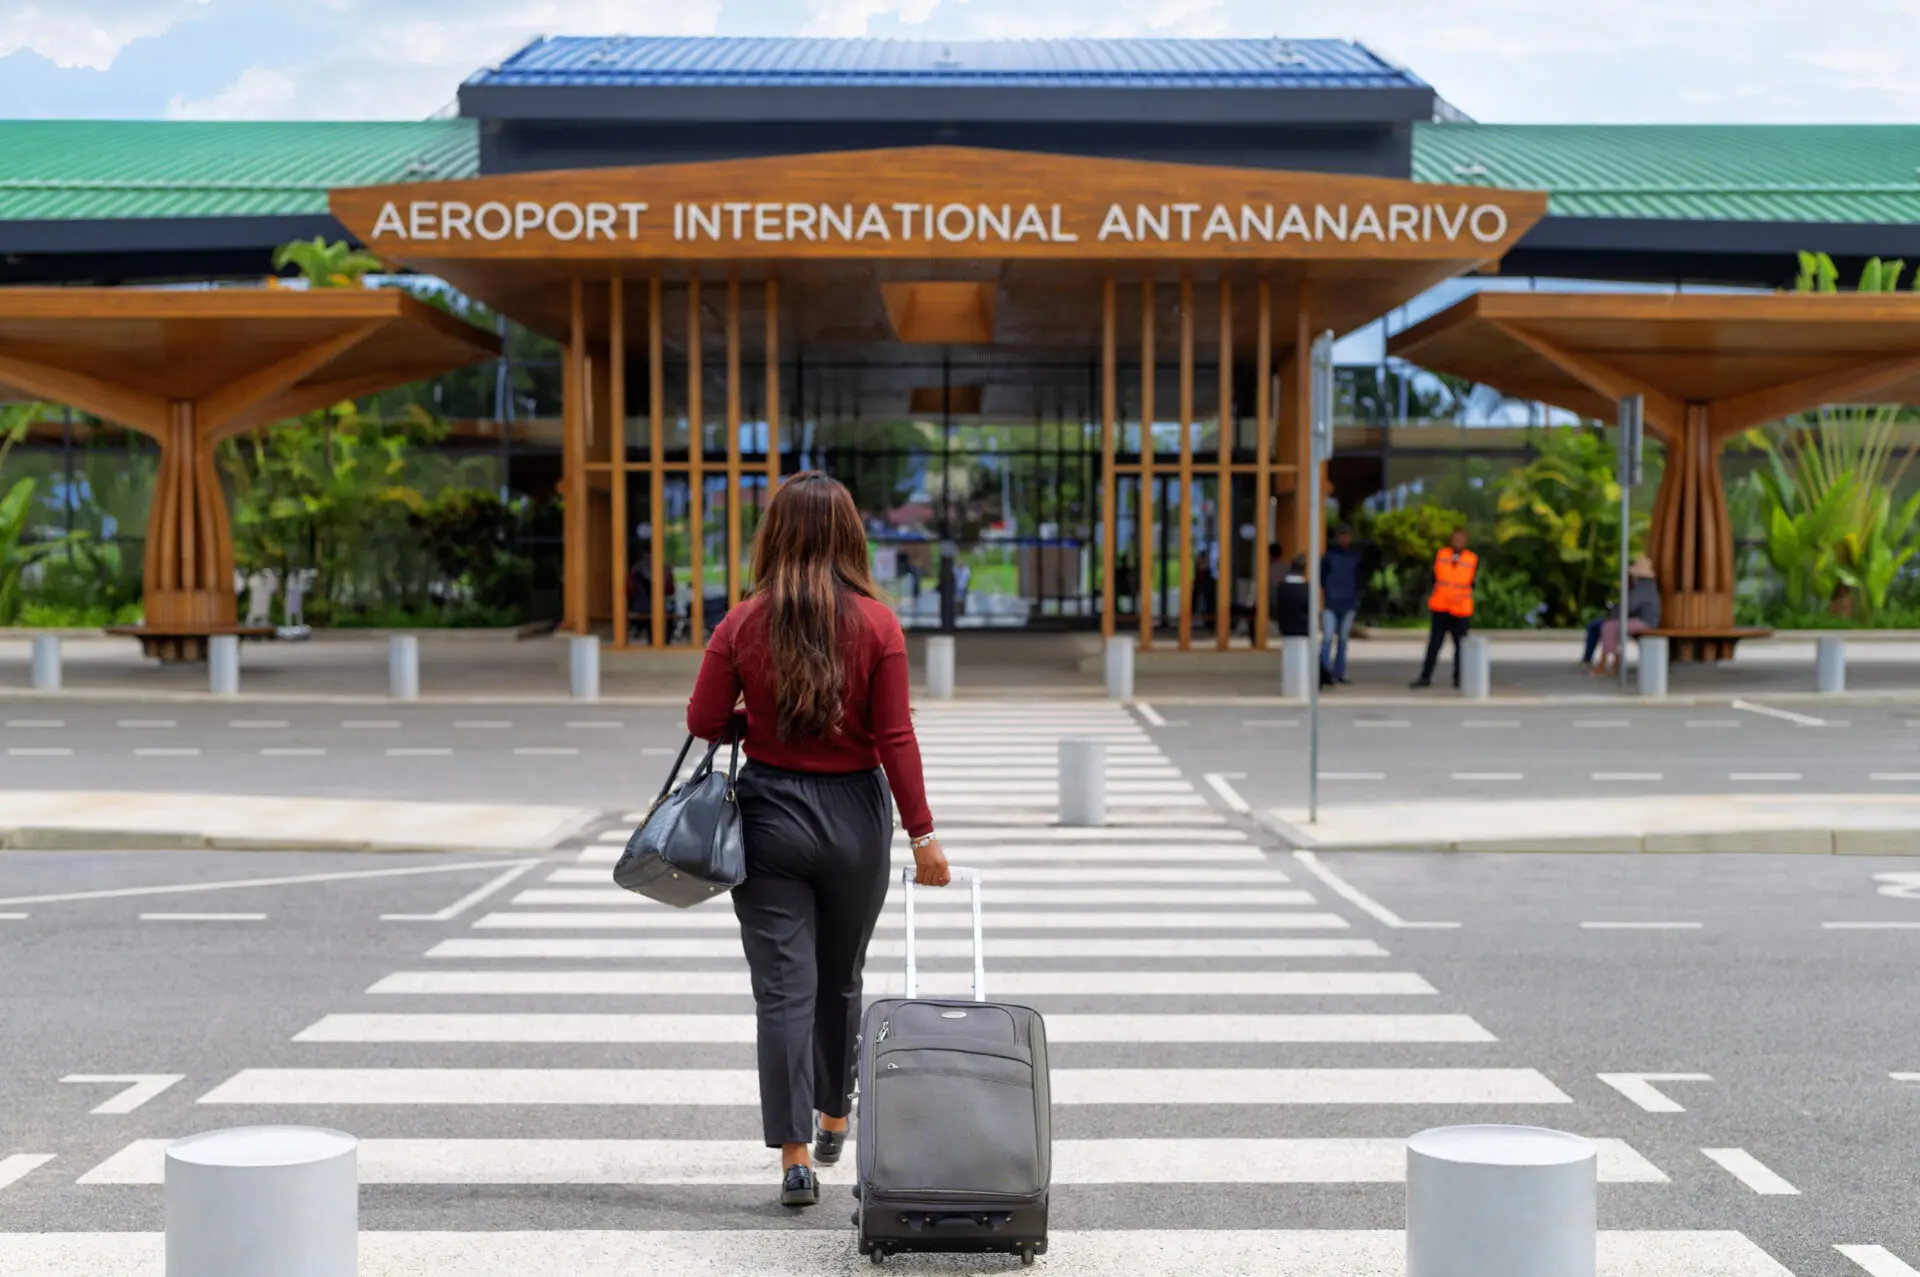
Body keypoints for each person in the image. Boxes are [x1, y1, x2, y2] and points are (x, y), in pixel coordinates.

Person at [686, 471, 950, 1210]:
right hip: (855, 818)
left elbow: (704, 719)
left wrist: (752, 720)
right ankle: (837, 1115)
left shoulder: (742, 622)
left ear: (774, 534)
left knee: (781, 991)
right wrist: (923, 835)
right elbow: (894, 735)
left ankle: (795, 1158)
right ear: (848, 535)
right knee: (841, 977)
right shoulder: (878, 623)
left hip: (769, 816)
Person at [1411, 526, 1476, 689]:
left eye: (1461, 539)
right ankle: (1425, 677)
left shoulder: (1471, 559)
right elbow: (1433, 578)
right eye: (1455, 538)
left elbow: (1472, 583)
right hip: (1440, 607)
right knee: (1434, 645)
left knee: (1460, 647)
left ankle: (1459, 679)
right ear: (1451, 540)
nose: (1457, 542)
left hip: (1461, 609)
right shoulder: (1442, 555)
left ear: (1466, 541)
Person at [1593, 556, 1662, 676]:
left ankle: (1604, 663)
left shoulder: (1643, 587)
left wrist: (1614, 613)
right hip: (1644, 619)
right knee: (1613, 627)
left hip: (1645, 621)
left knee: (1609, 626)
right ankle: (1615, 662)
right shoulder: (1646, 586)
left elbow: (1629, 606)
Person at [1275, 555, 1335, 687]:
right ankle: (1322, 675)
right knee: (1315, 648)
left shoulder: (1281, 588)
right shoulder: (1307, 589)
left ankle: (1323, 674)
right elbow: (1314, 611)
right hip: (1303, 629)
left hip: (1285, 628)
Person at [1320, 525, 1364, 684]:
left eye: (1347, 536)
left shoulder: (1356, 557)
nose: (1344, 539)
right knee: (1327, 637)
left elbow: (1360, 579)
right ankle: (1324, 671)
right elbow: (1322, 578)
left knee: (1343, 639)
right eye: (1342, 535)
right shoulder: (1329, 557)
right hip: (1331, 603)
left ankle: (1339, 673)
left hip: (1348, 603)